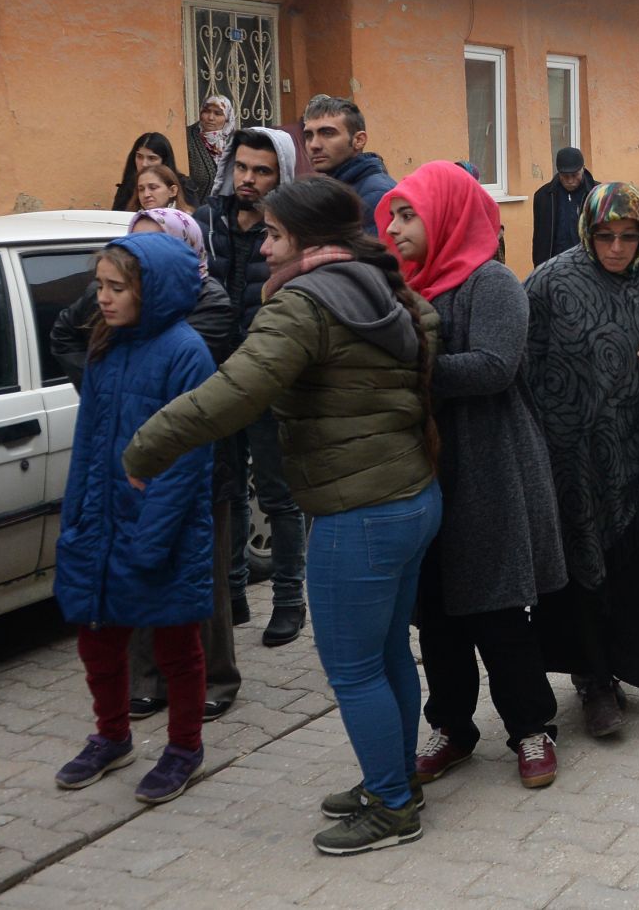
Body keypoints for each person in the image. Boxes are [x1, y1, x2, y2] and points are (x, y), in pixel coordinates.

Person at [124, 176, 442, 857]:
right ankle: (394, 781)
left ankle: (391, 806)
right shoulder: (382, 285)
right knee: (388, 655)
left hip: (356, 514)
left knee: (354, 669)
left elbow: (233, 394)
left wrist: (146, 445)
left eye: (272, 234)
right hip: (412, 498)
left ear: (306, 239)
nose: (262, 248)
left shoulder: (303, 304)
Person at [376, 163, 568, 790]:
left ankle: (532, 727)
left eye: (409, 215)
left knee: (498, 609)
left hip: (489, 465)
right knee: (436, 614)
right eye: (394, 216)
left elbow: (494, 366)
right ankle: (452, 727)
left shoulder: (490, 282)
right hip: (424, 469)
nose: (395, 228)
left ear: (448, 215)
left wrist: (409, 370)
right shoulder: (403, 287)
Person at [524, 183, 639, 737]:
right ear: (588, 232)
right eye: (605, 236)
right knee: (581, 569)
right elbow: (519, 361)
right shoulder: (551, 283)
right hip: (572, 462)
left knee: (634, 571)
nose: (616, 248)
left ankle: (629, 665)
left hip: (637, 459)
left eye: (629, 237)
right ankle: (593, 681)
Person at [50, 209, 241, 723]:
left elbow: (184, 462)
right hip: (106, 522)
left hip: (158, 529)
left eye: (116, 288)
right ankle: (109, 738)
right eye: (99, 286)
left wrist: (150, 542)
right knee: (100, 644)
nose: (102, 299)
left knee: (180, 646)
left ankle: (182, 749)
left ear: (152, 288)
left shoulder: (186, 352)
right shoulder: (104, 346)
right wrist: (78, 519)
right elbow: (89, 444)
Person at [196, 127, 306, 643]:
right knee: (229, 489)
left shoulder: (292, 230)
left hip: (269, 381)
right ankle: (234, 594)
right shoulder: (208, 221)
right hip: (217, 379)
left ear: (280, 174)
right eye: (242, 167)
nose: (248, 179)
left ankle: (289, 599)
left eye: (262, 170)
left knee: (279, 496)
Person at [301, 94, 397, 236]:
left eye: (327, 133)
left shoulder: (376, 194)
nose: (314, 145)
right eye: (309, 136)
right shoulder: (333, 189)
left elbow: (374, 256)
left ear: (359, 140)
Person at [531, 147, 597, 266]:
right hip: (554, 266)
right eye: (565, 176)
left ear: (583, 168)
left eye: (574, 175)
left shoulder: (598, 194)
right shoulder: (543, 197)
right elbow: (539, 240)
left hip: (589, 266)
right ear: (558, 172)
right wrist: (540, 269)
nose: (570, 180)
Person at [185, 95, 237, 208]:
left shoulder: (236, 142)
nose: (210, 118)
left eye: (218, 113)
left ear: (227, 117)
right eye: (206, 111)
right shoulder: (187, 138)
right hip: (196, 215)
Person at [111, 132, 180, 212]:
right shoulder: (126, 188)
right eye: (139, 157)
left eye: (152, 158)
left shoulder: (184, 186)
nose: (144, 164)